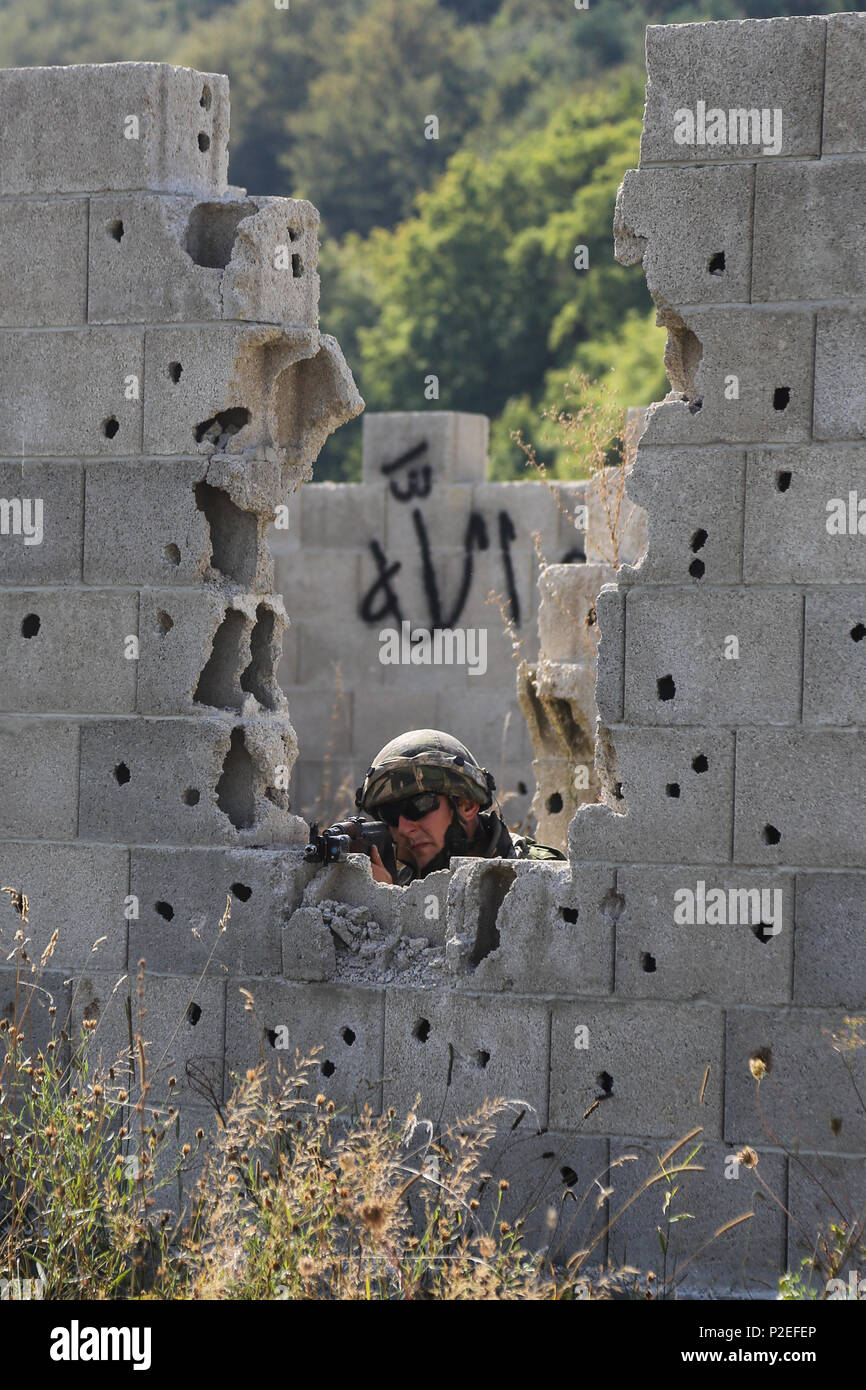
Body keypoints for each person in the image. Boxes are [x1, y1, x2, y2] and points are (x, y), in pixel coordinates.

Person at [354, 728, 565, 885]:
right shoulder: (400, 883)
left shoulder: (538, 873)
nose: (404, 828)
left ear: (467, 804)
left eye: (418, 807)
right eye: (389, 815)